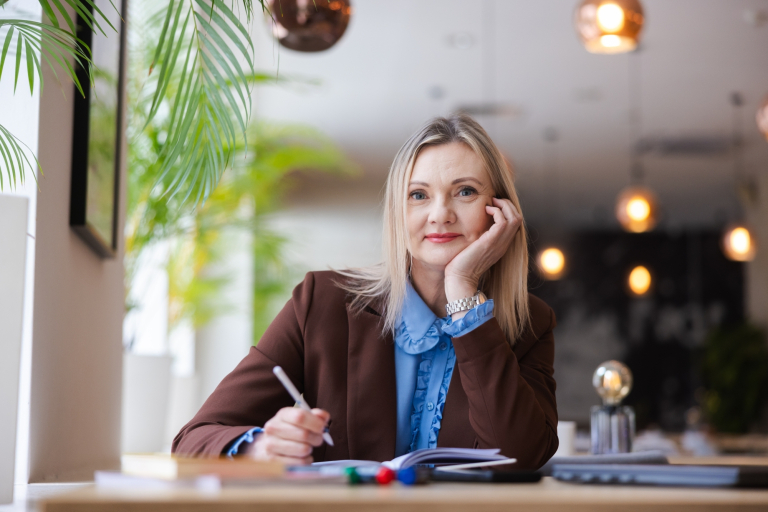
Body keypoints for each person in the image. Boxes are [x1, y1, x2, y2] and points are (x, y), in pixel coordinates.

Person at [172, 114, 558, 470]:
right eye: (418, 195)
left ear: (500, 212)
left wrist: (463, 290)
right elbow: (195, 437)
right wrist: (261, 446)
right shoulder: (319, 302)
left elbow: (519, 457)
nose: (440, 214)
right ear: (397, 211)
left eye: (466, 192)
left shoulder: (529, 323)